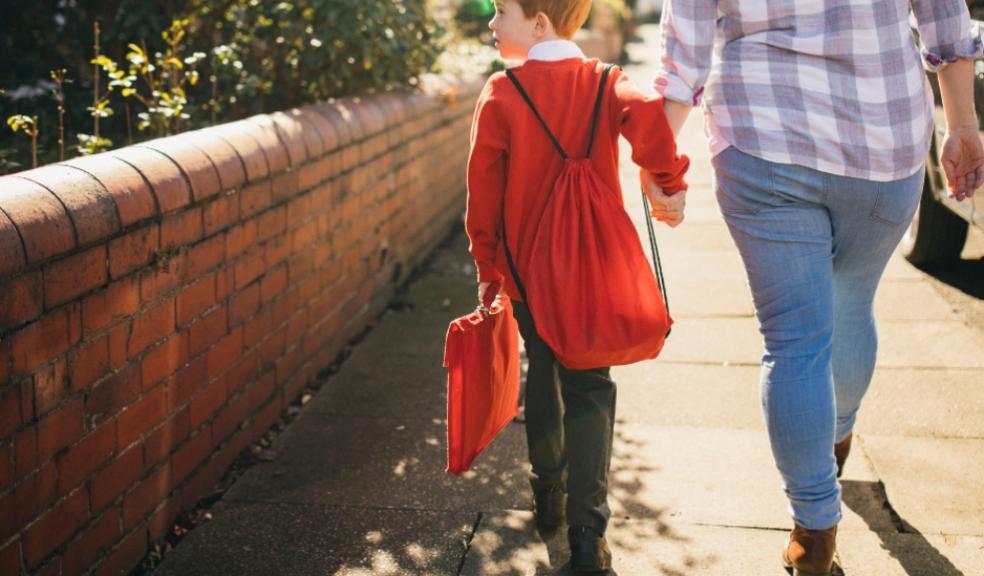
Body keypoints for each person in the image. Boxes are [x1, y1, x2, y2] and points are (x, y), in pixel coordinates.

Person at [654, 1, 984, 574]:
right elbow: (945, 21)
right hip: (883, 141)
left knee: (794, 341)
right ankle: (834, 437)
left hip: (763, 140)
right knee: (852, 297)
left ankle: (814, 531)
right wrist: (961, 125)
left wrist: (660, 164)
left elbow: (683, 55)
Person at [465, 0, 690, 572]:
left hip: (526, 272)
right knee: (592, 386)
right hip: (593, 270)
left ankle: (547, 496)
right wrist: (668, 181)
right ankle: (588, 533)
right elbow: (655, 132)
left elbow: (483, 193)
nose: (492, 24)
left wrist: (488, 268)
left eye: (502, 13)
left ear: (539, 23)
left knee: (543, 375)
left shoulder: (503, 94)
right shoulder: (606, 83)